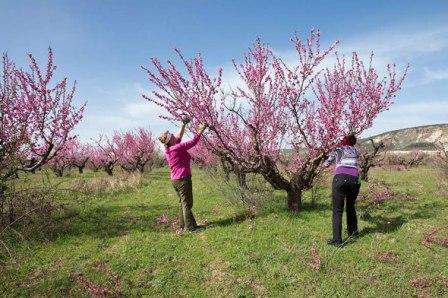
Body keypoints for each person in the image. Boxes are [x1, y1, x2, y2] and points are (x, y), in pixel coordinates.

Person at [158, 117, 207, 232]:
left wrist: (183, 124)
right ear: (171, 140)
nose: (176, 136)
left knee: (183, 203)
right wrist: (200, 131)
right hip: (182, 179)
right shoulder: (177, 147)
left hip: (175, 180)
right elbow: (193, 142)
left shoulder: (169, 149)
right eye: (173, 136)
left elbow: (178, 137)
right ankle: (190, 228)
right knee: (187, 203)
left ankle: (184, 224)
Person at [324, 133, 360, 246]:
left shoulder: (338, 149)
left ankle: (337, 240)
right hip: (355, 179)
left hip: (340, 178)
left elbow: (326, 163)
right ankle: (353, 232)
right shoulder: (355, 151)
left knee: (337, 210)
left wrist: (326, 161)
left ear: (343, 141)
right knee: (350, 206)